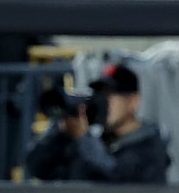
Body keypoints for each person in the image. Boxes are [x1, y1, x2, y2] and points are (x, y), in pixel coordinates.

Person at [24, 63, 170, 183]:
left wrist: (83, 137)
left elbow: (116, 180)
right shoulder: (92, 142)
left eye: (111, 95)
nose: (104, 102)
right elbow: (38, 167)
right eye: (100, 95)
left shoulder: (150, 146)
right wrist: (60, 131)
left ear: (133, 101)